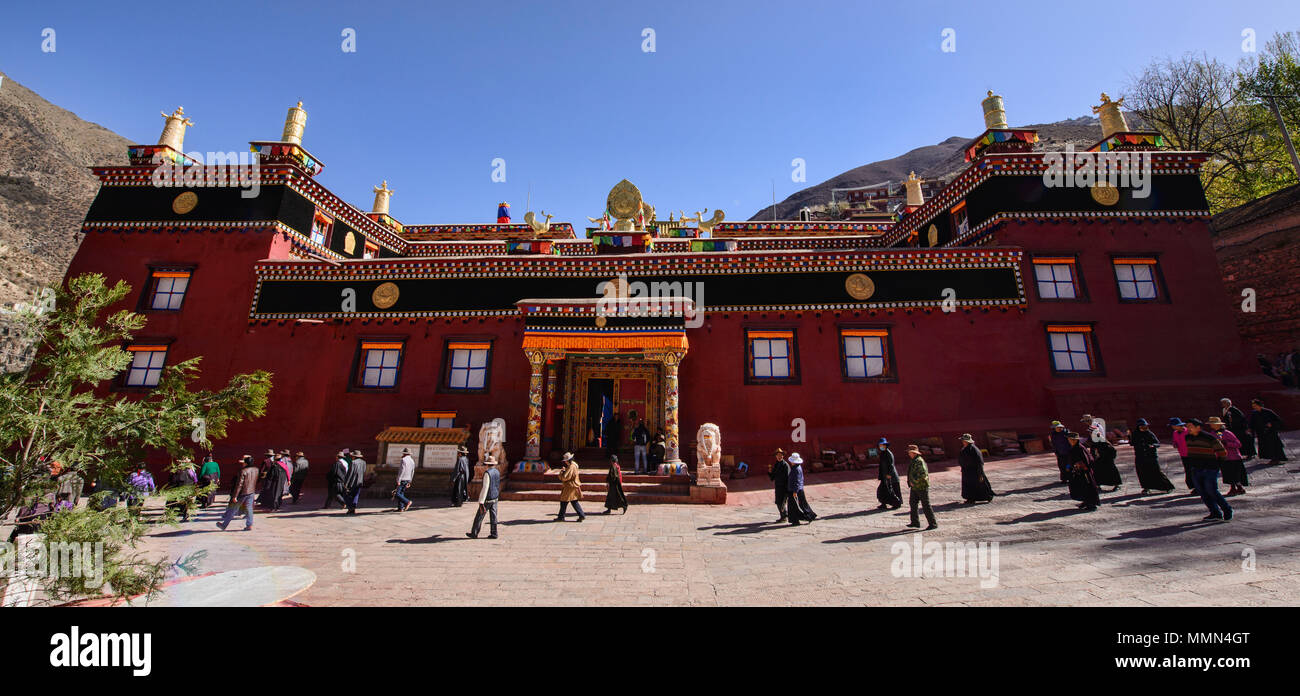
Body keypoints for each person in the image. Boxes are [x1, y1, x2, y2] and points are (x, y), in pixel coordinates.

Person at [1184, 418, 1232, 521]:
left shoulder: (1209, 438)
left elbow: (1222, 452)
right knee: (1202, 492)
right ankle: (1215, 513)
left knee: (1212, 490)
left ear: (1198, 427)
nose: (1188, 428)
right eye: (1187, 426)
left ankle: (1227, 509)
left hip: (1210, 468)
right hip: (1195, 468)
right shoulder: (1187, 437)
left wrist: (1217, 464)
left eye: (1190, 426)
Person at [1129, 418, 1174, 494]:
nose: (1144, 428)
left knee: (1156, 471)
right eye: (1142, 426)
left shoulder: (1149, 433)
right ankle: (1146, 488)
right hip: (1140, 456)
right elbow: (1132, 443)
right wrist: (1129, 437)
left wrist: (1153, 445)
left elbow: (1157, 443)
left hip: (1151, 456)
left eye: (1145, 426)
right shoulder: (1135, 434)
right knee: (1142, 473)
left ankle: (1167, 487)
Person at [218, 455, 259, 531]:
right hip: (251, 491)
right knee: (249, 508)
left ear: (246, 463)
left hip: (242, 493)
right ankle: (249, 525)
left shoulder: (243, 471)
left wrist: (235, 496)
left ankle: (224, 525)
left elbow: (239, 484)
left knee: (233, 509)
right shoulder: (256, 470)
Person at [1208, 417, 1247, 496]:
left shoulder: (1227, 433)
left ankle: (1237, 487)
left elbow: (1238, 444)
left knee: (1235, 473)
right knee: (1227, 473)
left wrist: (1227, 443)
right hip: (1222, 457)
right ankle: (1234, 487)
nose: (1211, 425)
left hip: (1233, 457)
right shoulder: (1212, 434)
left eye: (1212, 424)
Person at [1065, 431, 1100, 511]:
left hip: (1084, 472)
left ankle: (1091, 504)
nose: (1070, 441)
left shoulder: (1080, 448)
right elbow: (1070, 460)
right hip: (1077, 472)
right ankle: (1085, 501)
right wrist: (1068, 466)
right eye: (1069, 439)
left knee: (1087, 487)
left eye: (1071, 439)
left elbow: (1086, 459)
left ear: (1075, 440)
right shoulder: (1073, 448)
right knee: (1080, 487)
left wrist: (1080, 466)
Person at [904, 444, 937, 530]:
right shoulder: (913, 460)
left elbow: (923, 475)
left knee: (926, 505)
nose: (908, 454)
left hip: (921, 486)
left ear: (914, 453)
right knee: (913, 503)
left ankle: (932, 523)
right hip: (915, 487)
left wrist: (914, 482)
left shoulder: (919, 461)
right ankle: (915, 522)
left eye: (910, 452)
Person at [466, 457, 500, 539]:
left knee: (479, 516)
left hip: (487, 498)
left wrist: (481, 501)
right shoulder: (497, 472)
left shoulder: (487, 473)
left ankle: (474, 533)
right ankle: (494, 533)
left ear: (487, 464)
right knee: (494, 516)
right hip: (495, 497)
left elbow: (485, 487)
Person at [956, 434, 995, 504]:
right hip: (967, 471)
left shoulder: (973, 449)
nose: (962, 442)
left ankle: (987, 496)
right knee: (970, 485)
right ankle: (971, 498)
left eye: (963, 440)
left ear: (966, 441)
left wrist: (980, 472)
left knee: (978, 485)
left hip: (974, 471)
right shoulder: (966, 448)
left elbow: (979, 461)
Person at [1248, 398, 1288, 465]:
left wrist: (1271, 424)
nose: (1254, 407)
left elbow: (1278, 420)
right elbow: (1252, 423)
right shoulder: (1254, 413)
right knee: (1266, 446)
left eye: (1255, 405)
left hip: (1271, 432)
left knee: (1274, 446)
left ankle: (1276, 459)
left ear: (1259, 405)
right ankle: (1272, 458)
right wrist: (1250, 428)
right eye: (1253, 406)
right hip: (1261, 433)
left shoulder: (1268, 412)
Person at [785, 452, 816, 525]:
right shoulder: (797, 467)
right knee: (798, 505)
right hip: (796, 489)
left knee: (797, 505)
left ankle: (807, 517)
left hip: (795, 490)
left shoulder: (796, 469)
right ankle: (800, 519)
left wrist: (795, 491)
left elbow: (797, 481)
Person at [165, 457, 198, 522]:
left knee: (174, 502)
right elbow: (195, 479)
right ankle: (184, 514)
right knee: (184, 502)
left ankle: (174, 515)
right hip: (185, 488)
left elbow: (170, 480)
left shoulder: (175, 470)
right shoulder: (190, 470)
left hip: (177, 488)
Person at [555, 452, 586, 522]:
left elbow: (565, 477)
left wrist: (562, 473)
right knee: (573, 501)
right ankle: (581, 515)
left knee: (564, 501)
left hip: (569, 486)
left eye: (565, 460)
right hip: (573, 486)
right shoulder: (573, 465)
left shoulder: (571, 467)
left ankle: (561, 517)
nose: (565, 462)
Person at [876, 438, 902, 510]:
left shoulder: (888, 454)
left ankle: (897, 503)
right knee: (881, 491)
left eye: (882, 445)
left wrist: (889, 474)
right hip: (884, 476)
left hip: (891, 476)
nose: (881, 446)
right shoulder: (882, 454)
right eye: (880, 445)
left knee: (892, 491)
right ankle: (883, 503)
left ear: (885, 445)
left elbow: (891, 465)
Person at [1169, 417, 1194, 493]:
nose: (1172, 427)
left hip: (1191, 454)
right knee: (1188, 470)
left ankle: (1198, 487)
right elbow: (1175, 441)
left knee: (1193, 471)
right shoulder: (1175, 433)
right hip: (1183, 454)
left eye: (1173, 425)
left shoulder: (1188, 432)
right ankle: (1193, 486)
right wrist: (1175, 444)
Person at [343, 449, 368, 514]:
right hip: (360, 481)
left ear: (354, 456)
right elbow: (364, 471)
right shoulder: (364, 462)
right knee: (356, 495)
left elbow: (350, 473)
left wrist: (346, 483)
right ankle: (353, 507)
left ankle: (350, 508)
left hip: (352, 482)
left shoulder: (353, 462)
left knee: (347, 495)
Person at [769, 448, 790, 522]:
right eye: (778, 455)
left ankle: (784, 516)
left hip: (784, 487)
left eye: (780, 455)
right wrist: (770, 472)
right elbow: (773, 477)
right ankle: (783, 516)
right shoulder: (776, 464)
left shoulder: (785, 465)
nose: (779, 456)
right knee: (778, 502)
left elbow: (788, 477)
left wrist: (787, 488)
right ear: (776, 456)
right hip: (778, 486)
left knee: (782, 502)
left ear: (783, 456)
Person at [394, 448, 415, 512]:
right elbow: (412, 471)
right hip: (408, 479)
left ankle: (407, 502)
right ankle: (400, 508)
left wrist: (398, 480)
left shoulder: (403, 460)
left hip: (402, 479)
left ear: (404, 453)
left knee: (397, 494)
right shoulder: (412, 461)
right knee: (401, 493)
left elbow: (401, 471)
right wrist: (410, 481)